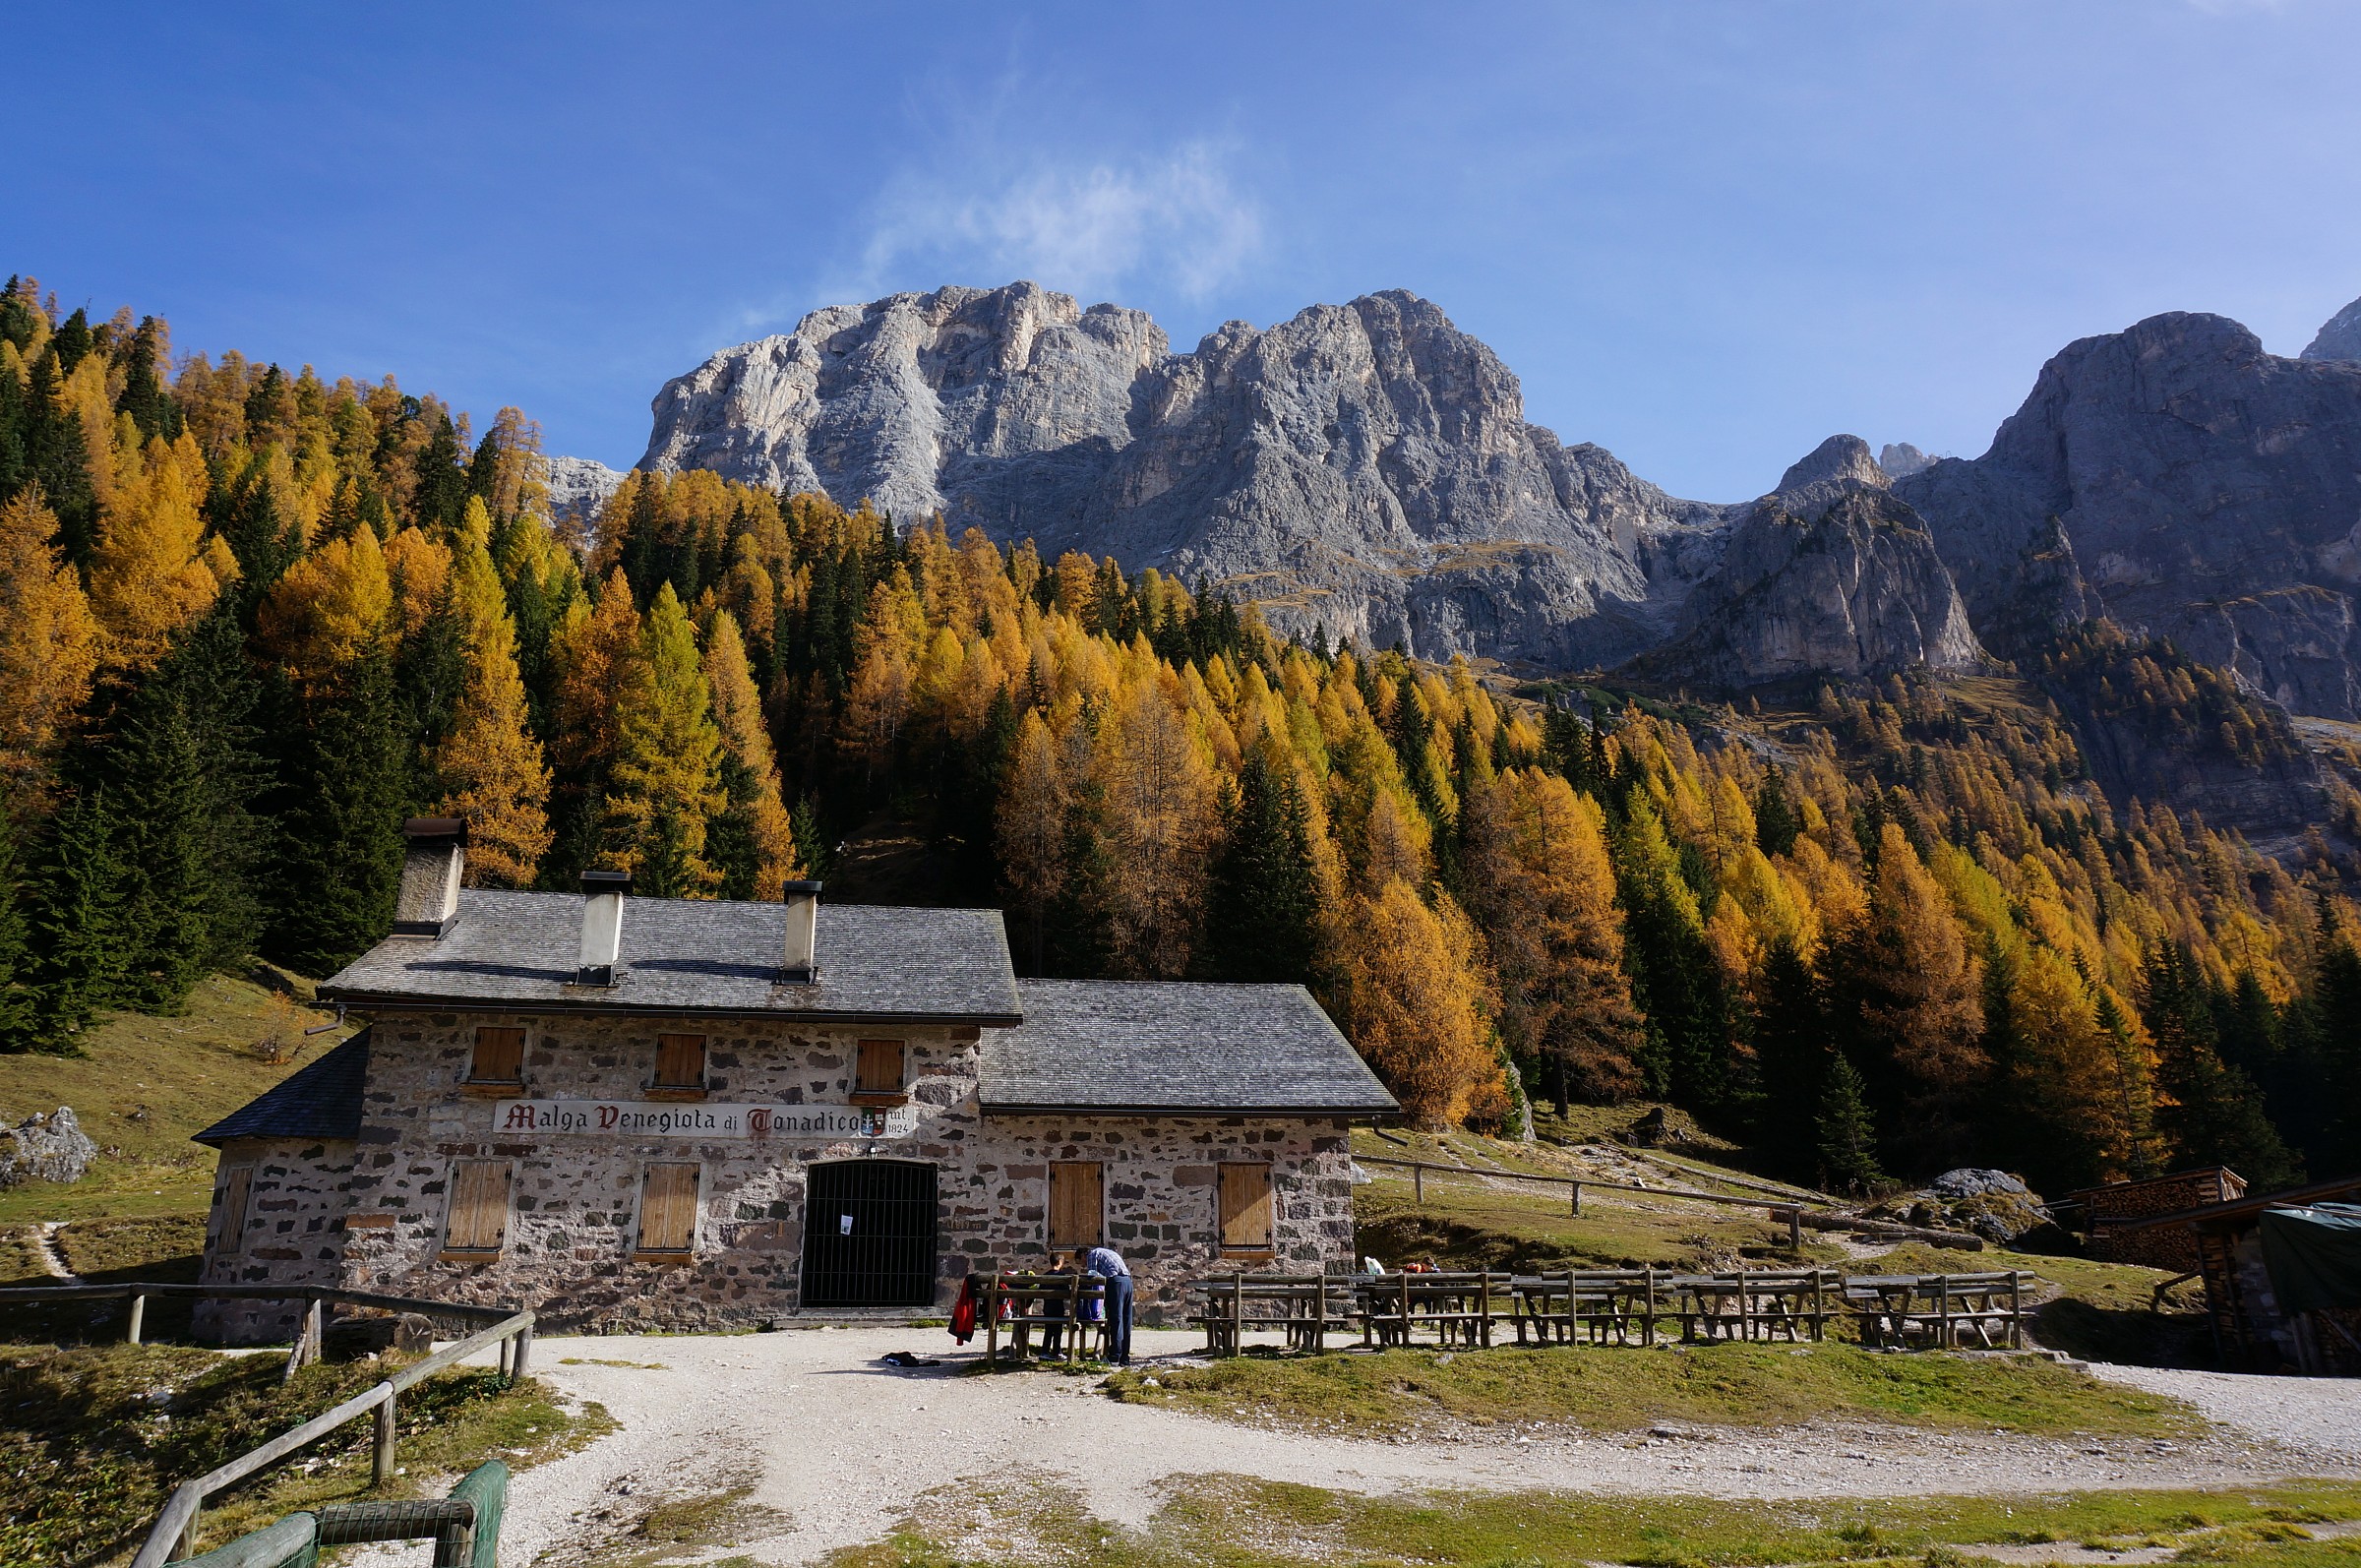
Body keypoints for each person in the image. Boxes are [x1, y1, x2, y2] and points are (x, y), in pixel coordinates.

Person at [1082, 1241, 1133, 1365]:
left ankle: (1114, 1356)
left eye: (1081, 1262)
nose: (1084, 1264)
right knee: (1127, 1320)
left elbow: (1093, 1277)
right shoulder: (1107, 1252)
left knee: (1116, 1319)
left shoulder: (1092, 1254)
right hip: (1128, 1281)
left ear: (1083, 1255)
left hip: (1116, 1283)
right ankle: (1124, 1358)